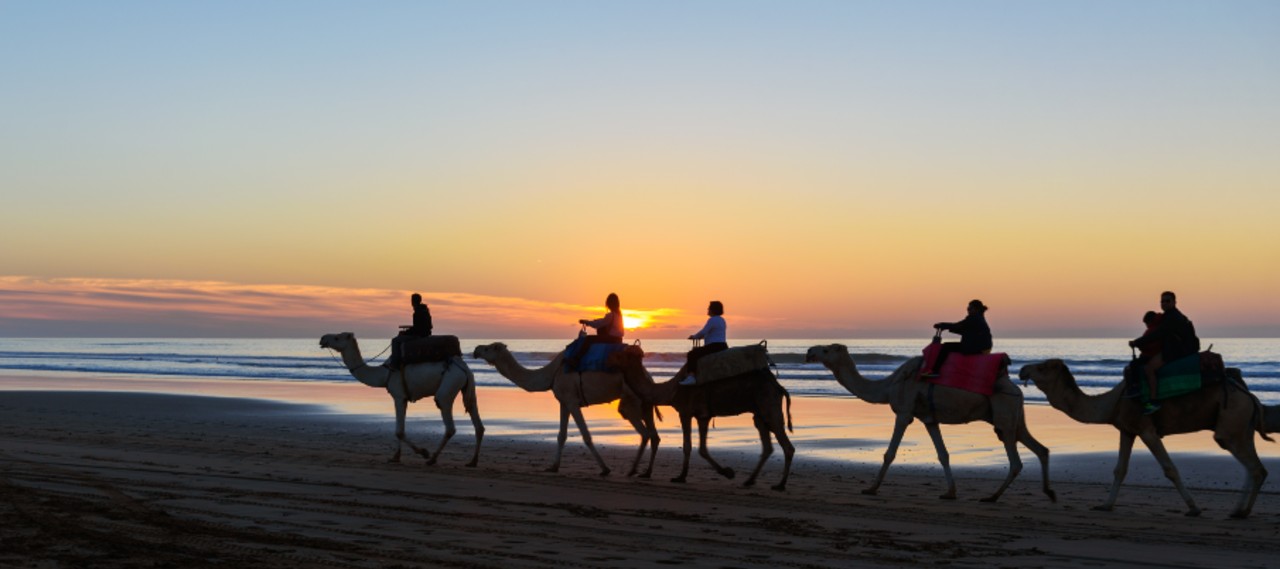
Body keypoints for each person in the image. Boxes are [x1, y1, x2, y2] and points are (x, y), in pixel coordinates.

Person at [1128, 291, 1199, 414]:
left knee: (1149, 369)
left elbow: (1158, 333)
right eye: (1162, 301)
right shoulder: (1168, 316)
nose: (1164, 303)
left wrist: (1137, 342)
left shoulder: (1173, 317)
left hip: (1177, 351)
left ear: (1174, 302)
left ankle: (1153, 401)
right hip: (1176, 347)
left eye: (1167, 301)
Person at [922, 299, 992, 378]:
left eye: (970, 309)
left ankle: (935, 371)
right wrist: (946, 327)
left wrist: (943, 325)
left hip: (977, 348)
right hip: (981, 347)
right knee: (951, 346)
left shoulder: (974, 318)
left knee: (946, 346)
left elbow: (958, 325)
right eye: (968, 309)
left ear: (976, 309)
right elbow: (963, 330)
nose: (968, 311)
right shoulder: (979, 318)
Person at [567, 293, 625, 369]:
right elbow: (602, 321)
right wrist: (590, 321)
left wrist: (587, 322)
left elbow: (598, 324)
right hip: (618, 340)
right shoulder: (619, 315)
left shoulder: (611, 315)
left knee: (588, 339)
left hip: (611, 339)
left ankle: (576, 359)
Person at [678, 301, 728, 386]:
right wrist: (699, 337)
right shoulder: (722, 320)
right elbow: (711, 334)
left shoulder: (712, 320)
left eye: (709, 307)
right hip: (723, 345)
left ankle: (691, 377)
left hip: (714, 346)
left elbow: (703, 332)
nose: (708, 309)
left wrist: (694, 337)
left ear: (713, 309)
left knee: (692, 354)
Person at [384, 293, 433, 369]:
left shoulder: (417, 312)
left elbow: (417, 329)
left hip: (420, 335)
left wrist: (405, 332)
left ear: (413, 301)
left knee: (395, 340)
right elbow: (425, 326)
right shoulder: (425, 310)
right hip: (425, 333)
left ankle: (395, 363)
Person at [1124, 311, 1163, 399]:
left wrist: (1139, 345)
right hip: (1152, 352)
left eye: (1146, 323)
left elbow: (1150, 343)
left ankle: (1135, 387)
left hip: (1151, 354)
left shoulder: (1153, 329)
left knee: (1133, 365)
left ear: (1149, 321)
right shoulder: (1157, 327)